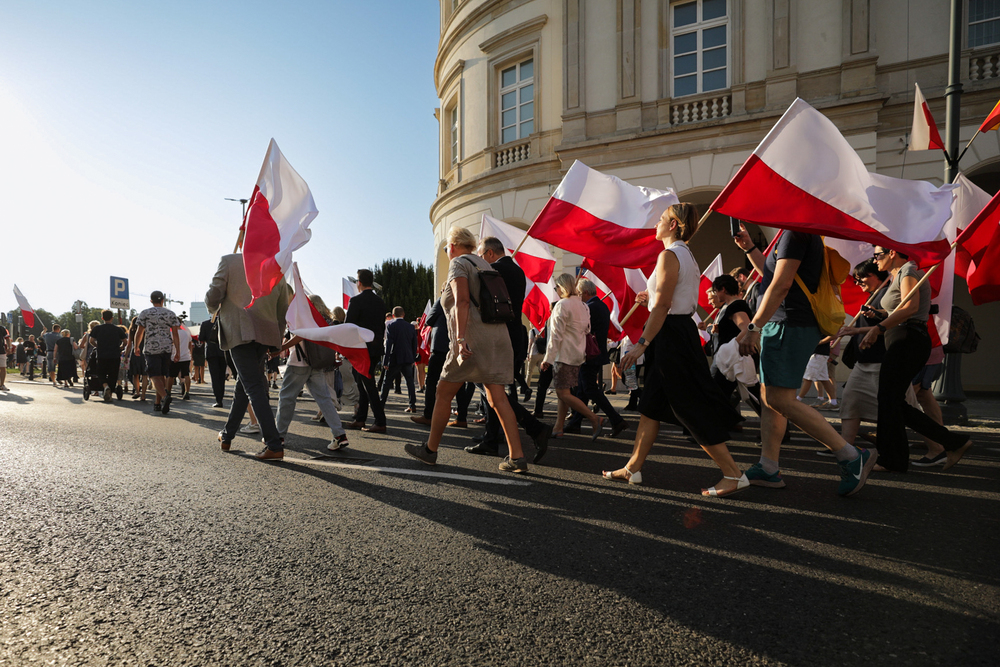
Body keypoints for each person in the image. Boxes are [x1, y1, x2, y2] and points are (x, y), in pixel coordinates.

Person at [606, 204, 745, 496]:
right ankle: (633, 467)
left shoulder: (670, 254)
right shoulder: (684, 254)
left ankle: (733, 474)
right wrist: (651, 300)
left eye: (661, 219)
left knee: (688, 407)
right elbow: (669, 299)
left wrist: (641, 344)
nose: (656, 223)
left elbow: (666, 306)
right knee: (650, 407)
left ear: (673, 225)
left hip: (672, 335)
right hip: (676, 332)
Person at [734, 225, 875, 496]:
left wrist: (753, 327)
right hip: (788, 322)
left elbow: (782, 284)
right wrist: (750, 248)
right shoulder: (796, 232)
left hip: (789, 323)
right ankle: (768, 467)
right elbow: (775, 275)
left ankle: (850, 455)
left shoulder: (794, 232)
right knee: (770, 397)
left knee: (779, 399)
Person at [404, 225, 532, 472]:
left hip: (473, 339)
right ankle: (517, 456)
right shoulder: (485, 264)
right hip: (497, 338)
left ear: (452, 246)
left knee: (443, 393)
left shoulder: (458, 264)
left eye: (446, 248)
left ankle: (430, 450)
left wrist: (461, 339)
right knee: (497, 398)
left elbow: (462, 301)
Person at [838, 246, 972, 472]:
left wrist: (878, 328)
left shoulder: (909, 270)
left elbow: (910, 308)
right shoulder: (898, 275)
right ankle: (906, 456)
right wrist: (875, 320)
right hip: (901, 338)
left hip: (908, 338)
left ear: (893, 253)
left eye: (878, 254)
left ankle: (901, 456)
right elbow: (897, 311)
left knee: (890, 400)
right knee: (891, 402)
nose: (875, 259)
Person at [465, 236, 552, 461]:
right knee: (495, 388)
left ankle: (534, 427)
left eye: (483, 255)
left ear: (491, 254)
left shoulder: (493, 269)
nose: (482, 259)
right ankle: (491, 439)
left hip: (497, 335)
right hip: (515, 334)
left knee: (491, 388)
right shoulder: (518, 271)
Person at [206, 253, 289, 459]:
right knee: (244, 385)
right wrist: (277, 339)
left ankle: (273, 444)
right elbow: (282, 307)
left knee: (252, 386)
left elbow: (213, 296)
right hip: (265, 332)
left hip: (239, 329)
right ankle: (227, 435)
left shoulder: (229, 260)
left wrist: (212, 306)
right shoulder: (275, 265)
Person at [270, 300, 350, 453]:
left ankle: (278, 436)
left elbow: (301, 335)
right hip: (316, 363)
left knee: (286, 398)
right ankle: (339, 435)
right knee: (324, 399)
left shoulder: (304, 315)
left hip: (298, 363)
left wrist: (281, 348)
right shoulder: (323, 320)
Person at [563, 277, 629, 438]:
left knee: (590, 389)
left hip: (588, 354)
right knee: (584, 390)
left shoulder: (589, 308)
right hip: (596, 353)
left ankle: (616, 420)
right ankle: (575, 423)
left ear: (585, 293)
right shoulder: (602, 306)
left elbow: (579, 329)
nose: (578, 296)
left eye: (579, 293)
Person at [542, 273, 604, 439]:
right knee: (565, 392)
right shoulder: (583, 305)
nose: (556, 290)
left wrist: (548, 358)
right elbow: (586, 330)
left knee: (563, 393)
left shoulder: (562, 305)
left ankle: (594, 418)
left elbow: (556, 335)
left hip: (564, 355)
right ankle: (558, 427)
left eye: (557, 287)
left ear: (562, 287)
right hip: (578, 354)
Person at [705, 274, 761, 413]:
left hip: (736, 357)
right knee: (751, 394)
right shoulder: (730, 306)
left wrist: (730, 347)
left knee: (716, 393)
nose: (715, 294)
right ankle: (777, 428)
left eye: (716, 290)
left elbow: (746, 327)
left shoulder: (736, 306)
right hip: (735, 357)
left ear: (723, 289)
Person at [345, 269, 388, 433]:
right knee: (363, 383)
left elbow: (349, 325)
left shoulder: (356, 301)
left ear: (359, 283)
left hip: (361, 348)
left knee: (368, 384)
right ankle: (360, 418)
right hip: (376, 347)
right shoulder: (380, 302)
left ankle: (380, 421)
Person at [134, 292, 181, 415]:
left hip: (151, 348)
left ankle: (165, 397)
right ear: (163, 300)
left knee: (154, 375)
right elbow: (175, 334)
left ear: (151, 300)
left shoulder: (145, 313)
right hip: (166, 348)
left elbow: (139, 332)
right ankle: (157, 403)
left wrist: (136, 347)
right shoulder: (170, 314)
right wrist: (178, 351)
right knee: (162, 376)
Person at [411, 298, 448, 427]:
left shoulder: (444, 299)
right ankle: (461, 415)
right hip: (455, 344)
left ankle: (428, 415)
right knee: (457, 381)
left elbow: (429, 319)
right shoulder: (464, 298)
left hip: (441, 345)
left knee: (431, 381)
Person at [380, 306, 418, 412]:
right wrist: (413, 358)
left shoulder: (391, 325)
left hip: (394, 357)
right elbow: (414, 344)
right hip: (407, 357)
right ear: (404, 314)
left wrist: (386, 360)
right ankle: (412, 404)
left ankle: (381, 403)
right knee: (410, 382)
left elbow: (389, 344)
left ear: (393, 315)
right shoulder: (410, 327)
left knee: (386, 382)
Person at [88, 310, 127, 402]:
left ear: (102, 318)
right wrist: (121, 347)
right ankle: (110, 391)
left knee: (101, 373)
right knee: (113, 374)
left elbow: (91, 341)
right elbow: (125, 341)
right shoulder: (118, 329)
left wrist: (98, 346)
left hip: (101, 354)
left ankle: (105, 386)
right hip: (114, 355)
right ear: (112, 318)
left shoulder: (97, 329)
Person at [200, 316, 227, 408]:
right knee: (221, 377)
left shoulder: (205, 324)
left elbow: (201, 338)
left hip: (211, 353)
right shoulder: (225, 322)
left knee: (214, 377)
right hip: (223, 352)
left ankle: (218, 400)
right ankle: (221, 397)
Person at [167, 324, 193, 400]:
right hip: (185, 356)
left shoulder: (171, 334)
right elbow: (190, 344)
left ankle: (168, 392)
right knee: (186, 375)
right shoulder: (186, 333)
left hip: (174, 357)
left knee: (171, 376)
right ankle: (187, 392)